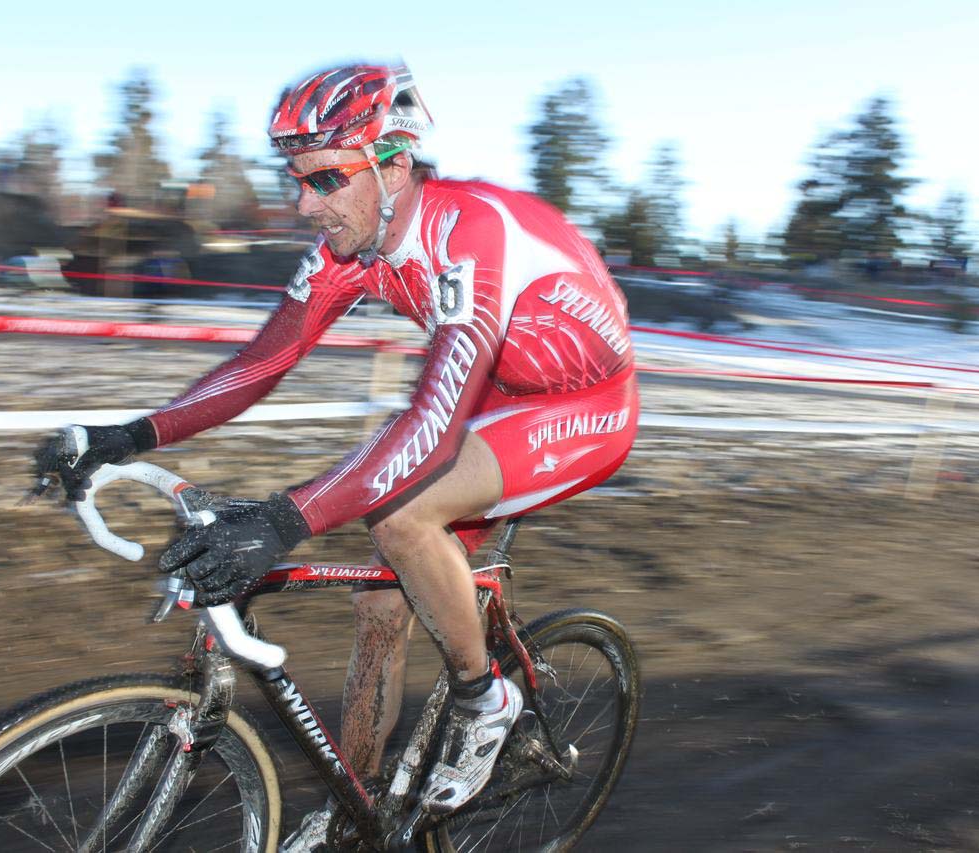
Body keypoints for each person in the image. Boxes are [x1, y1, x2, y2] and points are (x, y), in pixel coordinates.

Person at [35, 62, 639, 851]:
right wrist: (132, 433)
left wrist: (287, 517)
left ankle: (484, 699)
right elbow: (262, 362)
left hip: (584, 404)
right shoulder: (346, 249)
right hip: (501, 393)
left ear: (393, 165)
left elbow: (432, 423)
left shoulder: (472, 232)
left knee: (399, 514)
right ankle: (356, 819)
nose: (304, 202)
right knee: (382, 605)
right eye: (297, 179)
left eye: (325, 178)